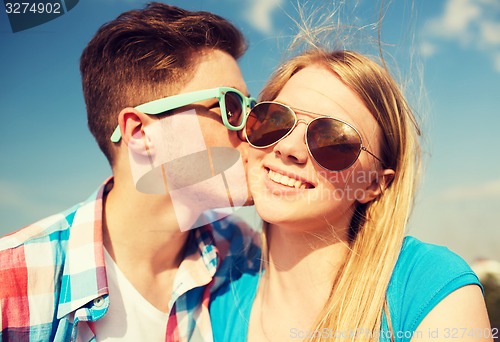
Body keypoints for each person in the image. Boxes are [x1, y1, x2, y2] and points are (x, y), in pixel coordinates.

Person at [0, 3, 259, 341]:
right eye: (232, 106)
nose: (253, 128)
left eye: (250, 107)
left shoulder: (241, 251)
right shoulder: (13, 280)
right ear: (140, 133)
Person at [210, 48, 493, 341]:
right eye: (274, 120)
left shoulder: (427, 287)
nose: (288, 148)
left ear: (373, 184)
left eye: (333, 141)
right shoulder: (218, 297)